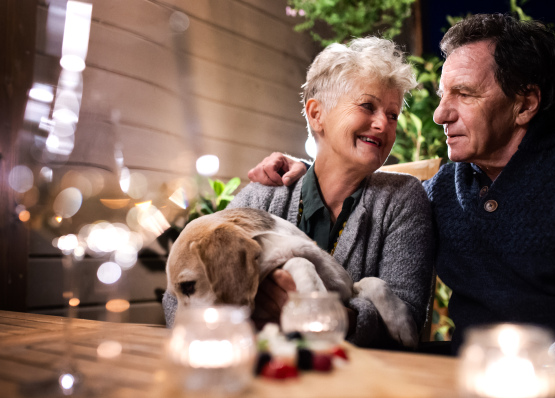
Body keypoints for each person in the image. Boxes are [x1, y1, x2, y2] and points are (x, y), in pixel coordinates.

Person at [249, 14, 555, 369]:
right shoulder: (447, 187)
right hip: (471, 378)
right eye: (442, 95)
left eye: (463, 94)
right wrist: (308, 170)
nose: (439, 114)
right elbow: (372, 188)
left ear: (525, 104)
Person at [163, 37, 435, 349]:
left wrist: (324, 316)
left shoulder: (402, 199)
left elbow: (407, 321)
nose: (382, 124)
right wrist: (237, 314)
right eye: (367, 106)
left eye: (392, 114)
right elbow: (176, 298)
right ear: (317, 114)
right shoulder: (263, 196)